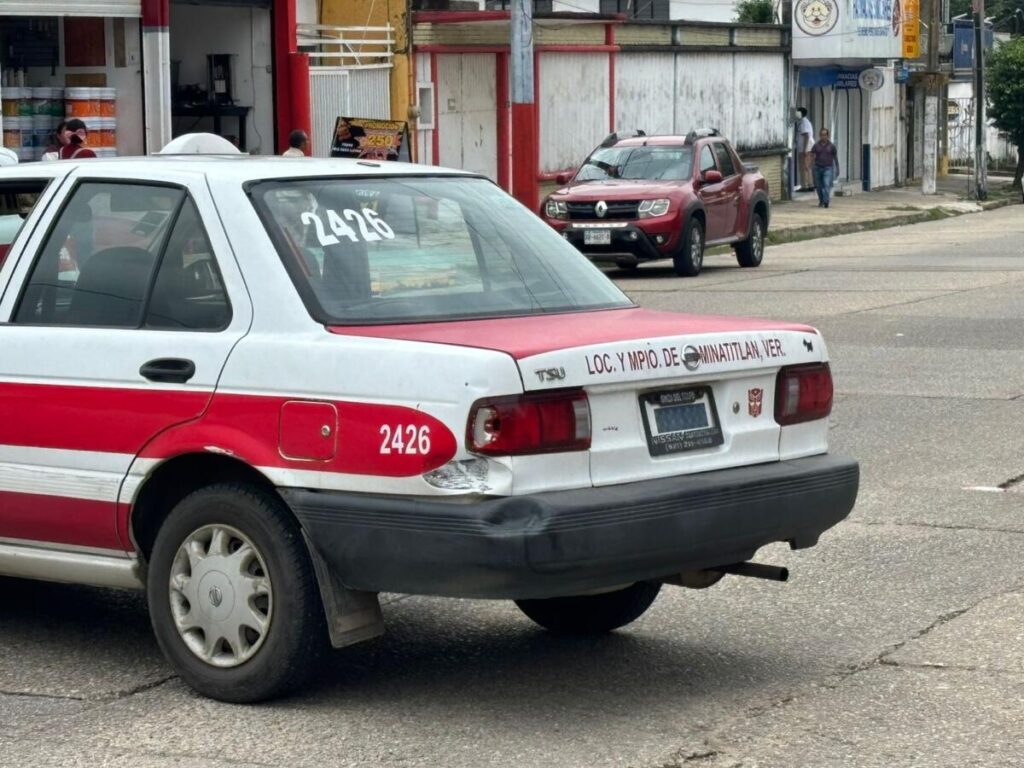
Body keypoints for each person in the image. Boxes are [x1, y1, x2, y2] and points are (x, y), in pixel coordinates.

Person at [811, 128, 840, 209]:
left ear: (827, 136)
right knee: (818, 186)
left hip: (828, 168)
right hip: (817, 167)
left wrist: (837, 168)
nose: (823, 136)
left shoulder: (831, 146)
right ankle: (821, 200)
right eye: (821, 135)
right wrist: (811, 166)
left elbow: (835, 158)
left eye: (825, 135)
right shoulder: (816, 146)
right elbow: (812, 156)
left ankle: (826, 201)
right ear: (819, 136)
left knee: (826, 184)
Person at [794, 108, 813, 191]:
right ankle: (809, 184)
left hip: (805, 148)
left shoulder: (804, 122)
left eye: (798, 112)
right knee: (807, 167)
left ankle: (805, 186)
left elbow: (806, 136)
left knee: (804, 167)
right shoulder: (805, 122)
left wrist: (805, 149)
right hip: (806, 147)